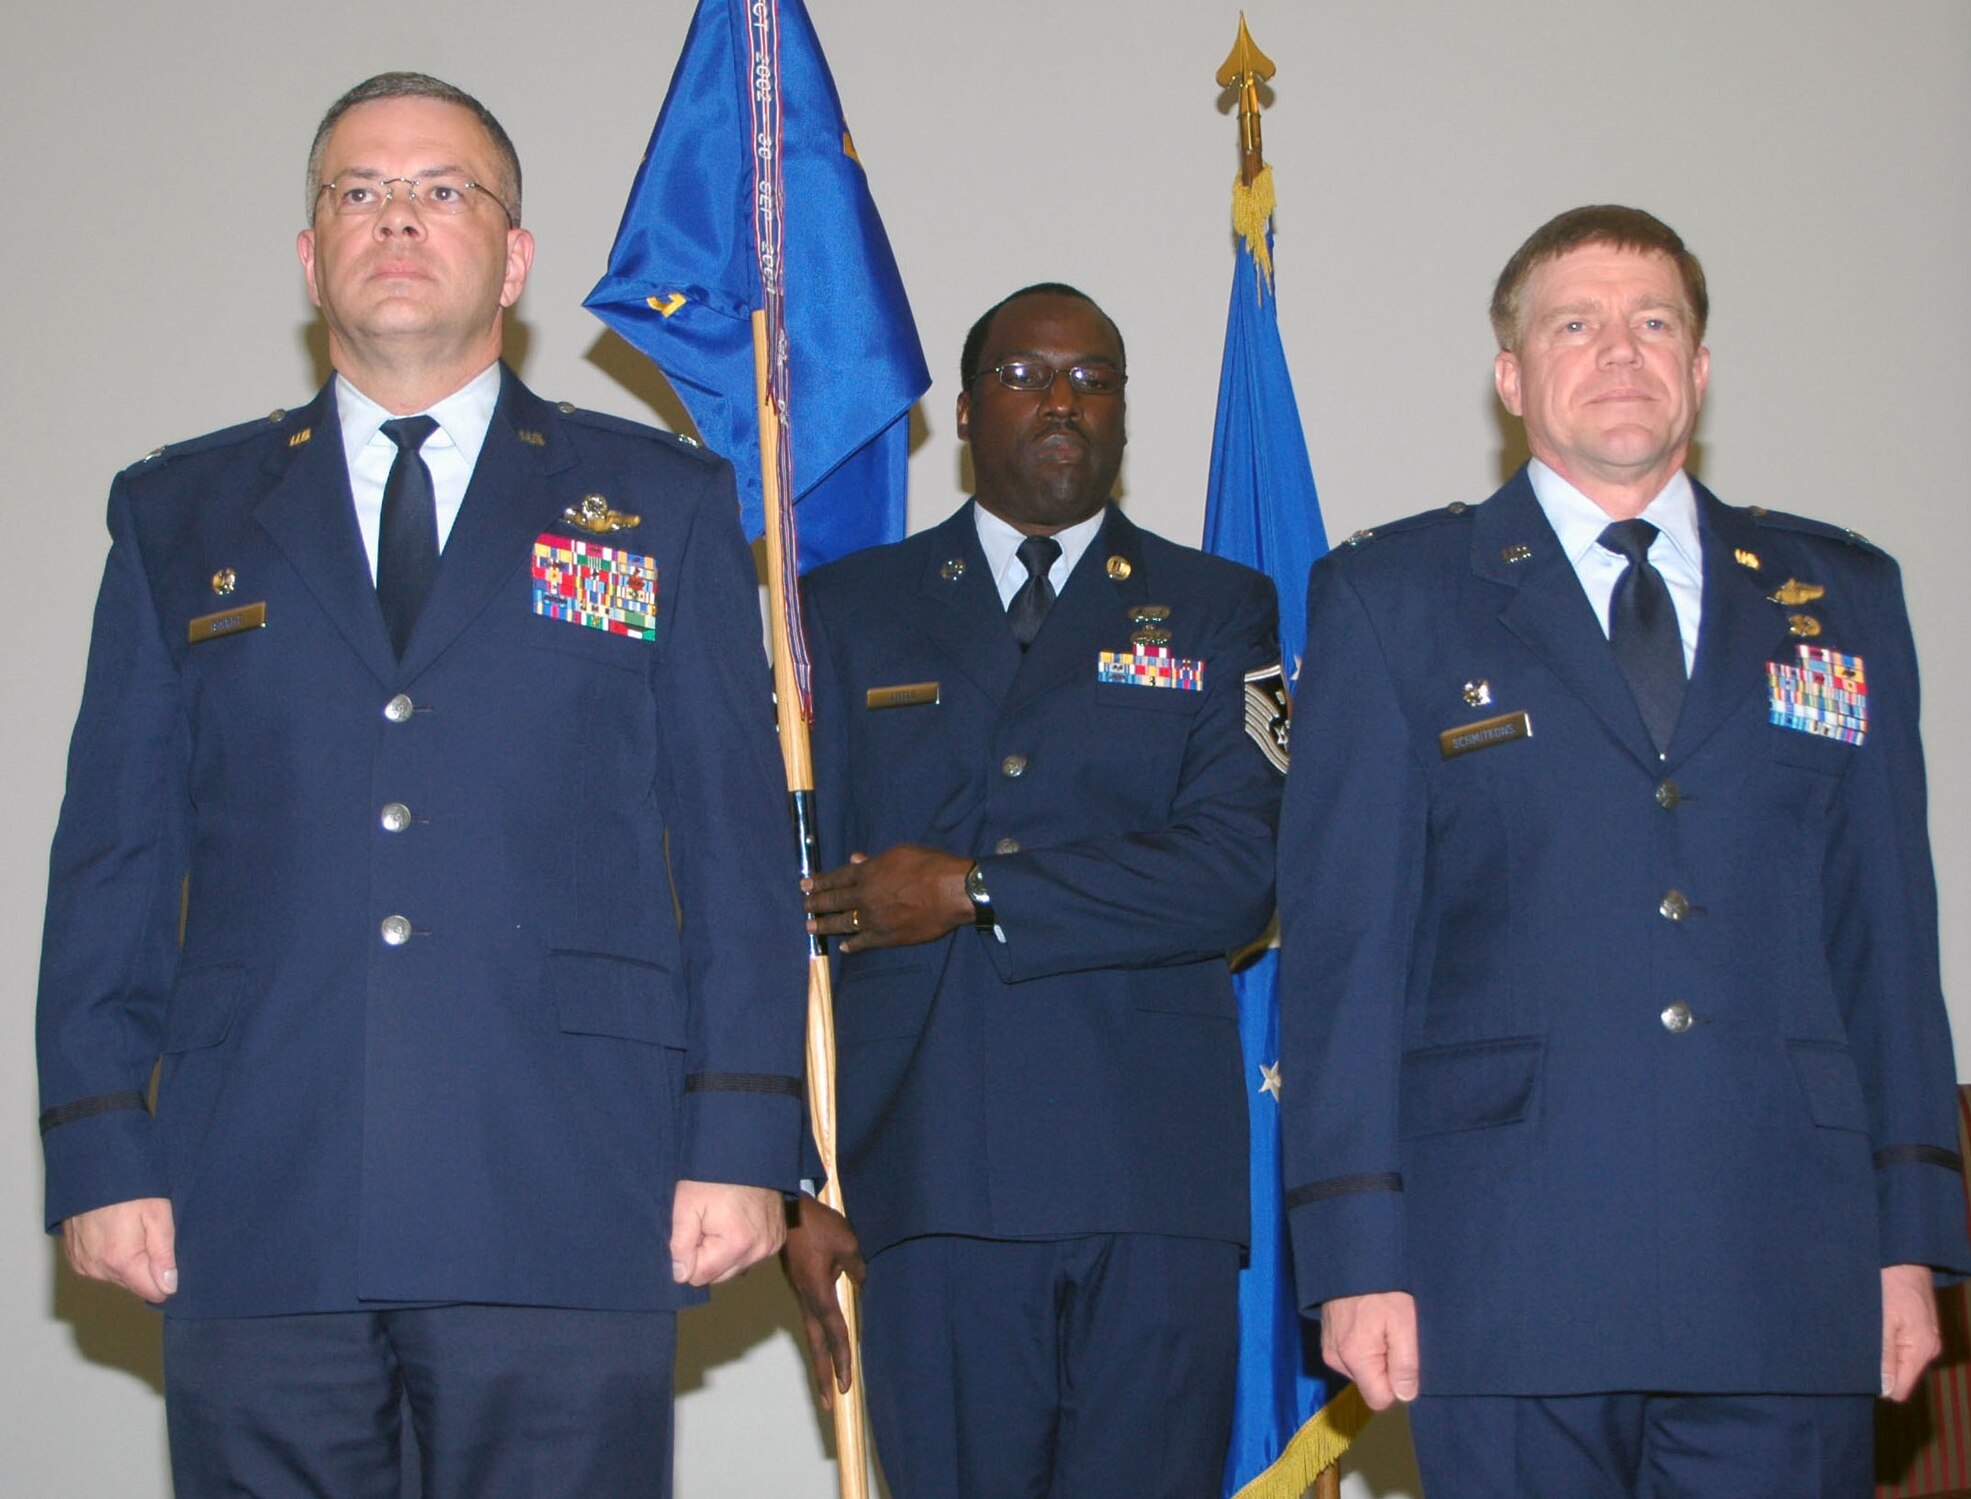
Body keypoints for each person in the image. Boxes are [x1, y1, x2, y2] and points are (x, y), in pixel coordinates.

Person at [35, 72, 804, 1497]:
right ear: (311, 250)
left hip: (569, 1185)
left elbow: (739, 850)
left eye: (443, 189)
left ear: (511, 259)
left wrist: (744, 1133)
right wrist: (95, 1145)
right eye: (358, 192)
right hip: (259, 1194)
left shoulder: (660, 506)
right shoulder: (179, 514)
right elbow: (115, 855)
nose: (398, 217)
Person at [1279, 204, 1971, 1497]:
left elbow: (1889, 939)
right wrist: (1357, 1249)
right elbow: (1345, 955)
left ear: (1699, 369)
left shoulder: (1844, 599)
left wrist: (1909, 1236)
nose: (1620, 351)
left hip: (1782, 1258)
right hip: (1507, 1265)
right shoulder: (1395, 598)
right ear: (1512, 376)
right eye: (1577, 324)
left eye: (1655, 323)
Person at [785, 284, 1286, 1498]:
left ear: (1121, 411)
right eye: (1022, 375)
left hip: (1147, 1178)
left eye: (1092, 377)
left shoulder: (1220, 608)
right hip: (927, 1171)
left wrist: (972, 889)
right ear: (961, 411)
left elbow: (1235, 875)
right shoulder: (845, 611)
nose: (1061, 400)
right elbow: (780, 910)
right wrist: (789, 1176)